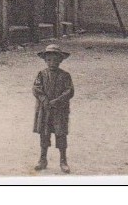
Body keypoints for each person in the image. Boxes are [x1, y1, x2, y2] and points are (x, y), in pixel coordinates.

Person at [32, 43, 74, 173]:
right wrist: (45, 100)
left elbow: (70, 91)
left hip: (59, 110)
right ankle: (42, 159)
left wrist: (57, 101)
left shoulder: (65, 75)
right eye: (49, 60)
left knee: (60, 134)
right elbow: (36, 88)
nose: (52, 63)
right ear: (45, 61)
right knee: (44, 134)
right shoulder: (41, 74)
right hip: (44, 110)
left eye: (55, 60)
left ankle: (63, 160)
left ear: (60, 61)